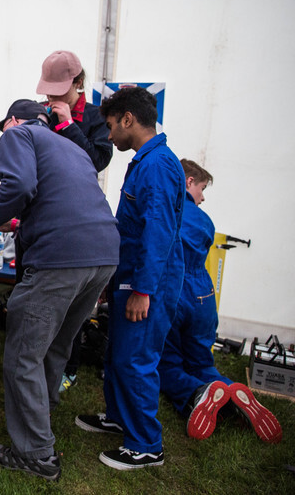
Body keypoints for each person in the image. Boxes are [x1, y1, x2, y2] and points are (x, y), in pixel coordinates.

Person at [0, 99, 119, 482]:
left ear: (14, 120)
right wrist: (14, 222)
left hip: (61, 257)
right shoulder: (69, 146)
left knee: (22, 356)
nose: (4, 135)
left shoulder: (18, 134)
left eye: (4, 128)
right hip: (102, 254)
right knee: (55, 346)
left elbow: (19, 184)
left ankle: (37, 453)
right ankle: (41, 419)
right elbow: (55, 199)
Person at [75, 86, 185, 470]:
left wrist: (143, 290)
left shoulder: (157, 166)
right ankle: (120, 417)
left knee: (136, 360)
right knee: (118, 355)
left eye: (110, 127)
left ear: (128, 120)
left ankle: (147, 445)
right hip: (130, 278)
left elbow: (158, 232)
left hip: (148, 283)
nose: (108, 136)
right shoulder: (146, 161)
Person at [158, 160, 281, 443]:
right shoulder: (204, 220)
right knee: (202, 362)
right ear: (188, 182)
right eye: (202, 188)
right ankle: (229, 389)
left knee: (168, 363)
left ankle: (197, 395)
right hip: (203, 293)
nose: (203, 197)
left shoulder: (168, 210)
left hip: (174, 290)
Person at [35, 50, 114, 394]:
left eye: (59, 90)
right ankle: (40, 366)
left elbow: (97, 160)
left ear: (79, 83)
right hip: (49, 213)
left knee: (77, 308)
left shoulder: (97, 118)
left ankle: (69, 366)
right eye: (48, 90)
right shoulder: (44, 112)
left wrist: (67, 125)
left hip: (80, 217)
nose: (52, 97)